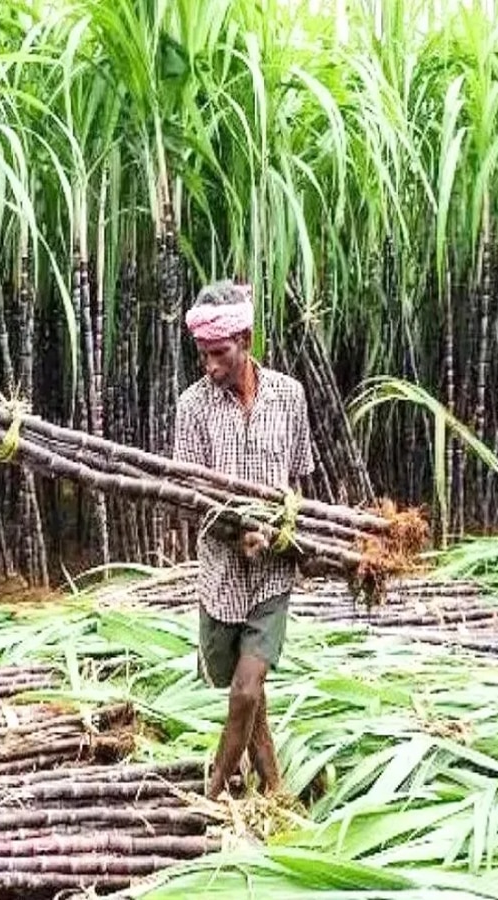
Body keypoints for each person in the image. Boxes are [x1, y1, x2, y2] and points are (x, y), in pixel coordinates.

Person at [172, 280, 315, 800]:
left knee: (247, 688)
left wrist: (291, 538)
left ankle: (212, 794)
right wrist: (238, 535)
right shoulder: (192, 407)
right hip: (221, 577)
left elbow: (299, 480)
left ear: (247, 340)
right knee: (242, 695)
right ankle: (273, 790)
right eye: (203, 355)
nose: (210, 365)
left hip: (274, 573)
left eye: (220, 353)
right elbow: (191, 498)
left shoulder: (290, 397)